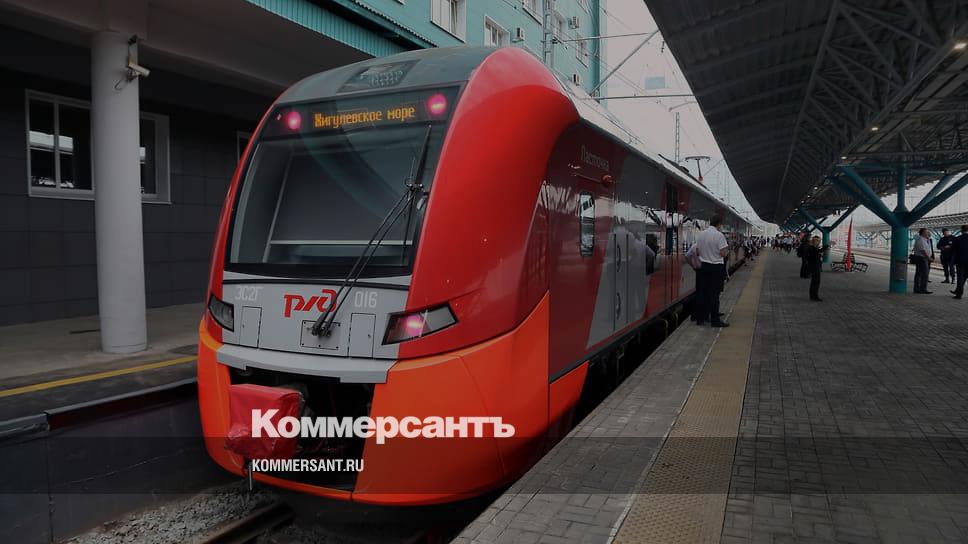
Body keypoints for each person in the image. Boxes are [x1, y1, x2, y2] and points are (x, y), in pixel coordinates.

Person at [693, 215, 730, 327]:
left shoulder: (701, 234)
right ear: (719, 224)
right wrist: (726, 252)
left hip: (703, 267)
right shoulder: (719, 235)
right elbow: (723, 253)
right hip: (716, 267)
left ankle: (700, 319)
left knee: (703, 293)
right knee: (714, 294)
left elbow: (697, 252)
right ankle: (715, 320)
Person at [912, 228, 933, 294]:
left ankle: (917, 289)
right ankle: (923, 289)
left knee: (919, 273)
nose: (928, 233)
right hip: (922, 258)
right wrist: (928, 257)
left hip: (923, 258)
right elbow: (922, 250)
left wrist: (928, 239)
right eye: (926, 232)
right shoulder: (920, 240)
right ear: (922, 233)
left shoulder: (925, 239)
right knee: (924, 274)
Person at [952, 225, 968, 300]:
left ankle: (959, 294)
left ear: (961, 230)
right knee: (964, 277)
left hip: (960, 261)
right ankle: (958, 290)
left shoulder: (957, 238)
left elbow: (953, 249)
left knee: (960, 277)